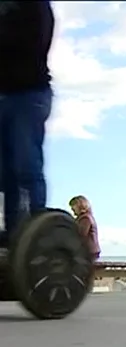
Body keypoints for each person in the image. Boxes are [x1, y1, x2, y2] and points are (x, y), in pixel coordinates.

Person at [0, 2, 55, 244]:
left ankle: (36, 232)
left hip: (28, 93)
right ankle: (14, 236)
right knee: (5, 172)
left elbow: (33, 42)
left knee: (26, 165)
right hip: (5, 95)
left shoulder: (34, 5)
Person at [69, 195, 101, 262]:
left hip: (88, 252)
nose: (72, 210)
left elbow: (80, 234)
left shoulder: (85, 218)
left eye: (73, 207)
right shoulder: (85, 217)